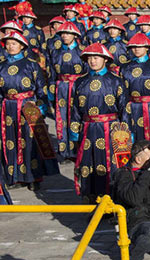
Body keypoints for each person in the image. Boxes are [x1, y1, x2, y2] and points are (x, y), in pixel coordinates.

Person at [0, 30, 58, 189]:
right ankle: (15, 177)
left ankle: (33, 177)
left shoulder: (31, 65)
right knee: (10, 141)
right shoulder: (1, 66)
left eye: (14, 43)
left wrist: (41, 107)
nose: (11, 46)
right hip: (8, 108)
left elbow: (41, 88)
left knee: (30, 141)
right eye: (8, 44)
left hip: (28, 106)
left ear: (22, 46)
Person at [71, 43, 128, 200]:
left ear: (105, 59)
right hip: (88, 128)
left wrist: (125, 131)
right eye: (89, 58)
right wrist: (74, 131)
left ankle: (113, 200)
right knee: (88, 163)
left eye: (96, 58)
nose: (93, 61)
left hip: (109, 127)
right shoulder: (80, 81)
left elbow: (124, 108)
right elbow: (75, 108)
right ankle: (91, 198)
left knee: (111, 164)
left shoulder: (116, 81)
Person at [48, 22, 85, 160]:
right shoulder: (56, 52)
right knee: (61, 118)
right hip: (61, 87)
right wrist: (51, 92)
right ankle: (63, 150)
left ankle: (77, 149)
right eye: (62, 33)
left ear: (75, 35)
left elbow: (87, 73)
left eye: (68, 33)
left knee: (76, 117)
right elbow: (52, 73)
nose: (65, 36)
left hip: (77, 87)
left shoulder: (82, 51)